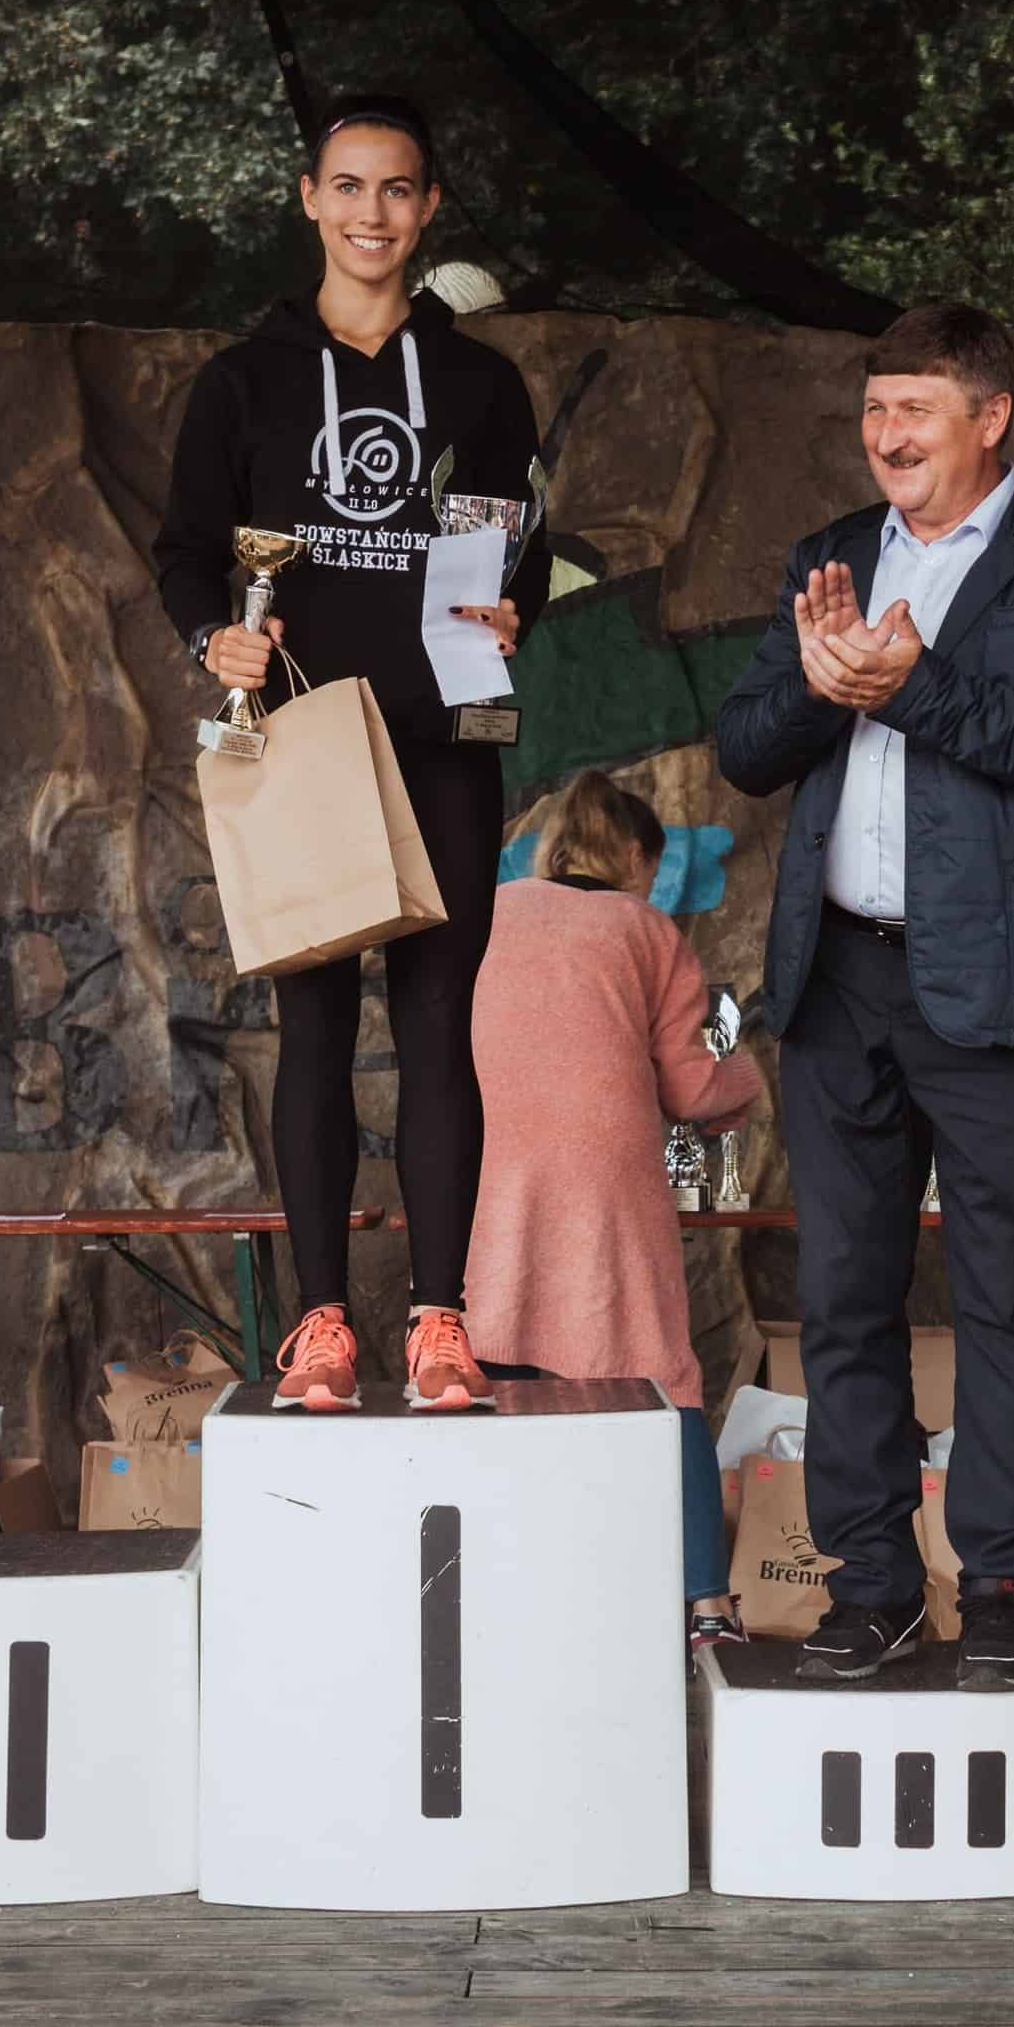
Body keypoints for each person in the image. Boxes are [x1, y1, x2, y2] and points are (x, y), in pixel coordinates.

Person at [717, 304, 1014, 1690]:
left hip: (1001, 985)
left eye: (913, 409)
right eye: (873, 410)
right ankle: (872, 1591)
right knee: (841, 1294)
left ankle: (1006, 1594)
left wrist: (909, 685)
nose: (885, 435)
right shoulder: (831, 554)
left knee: (1003, 1296)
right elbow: (743, 746)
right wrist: (821, 685)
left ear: (989, 415)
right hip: (838, 976)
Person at [155, 93, 550, 1414]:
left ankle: (440, 1322)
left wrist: (516, 606)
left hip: (440, 735)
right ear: (309, 200)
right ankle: (321, 1323)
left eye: (395, 189)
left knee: (440, 1025)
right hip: (299, 738)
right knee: (314, 1023)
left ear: (426, 209)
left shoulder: (484, 384)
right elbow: (184, 551)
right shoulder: (244, 380)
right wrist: (214, 637)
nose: (370, 213)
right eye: (347, 187)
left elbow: (520, 542)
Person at [463, 771, 761, 1645]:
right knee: (663, 1375)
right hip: (608, 1177)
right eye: (653, 871)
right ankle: (707, 1606)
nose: (652, 886)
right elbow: (691, 1086)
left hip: (493, 1170)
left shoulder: (491, 912)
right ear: (633, 855)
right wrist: (750, 1080)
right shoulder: (648, 930)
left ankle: (508, 1592)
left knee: (503, 1356)